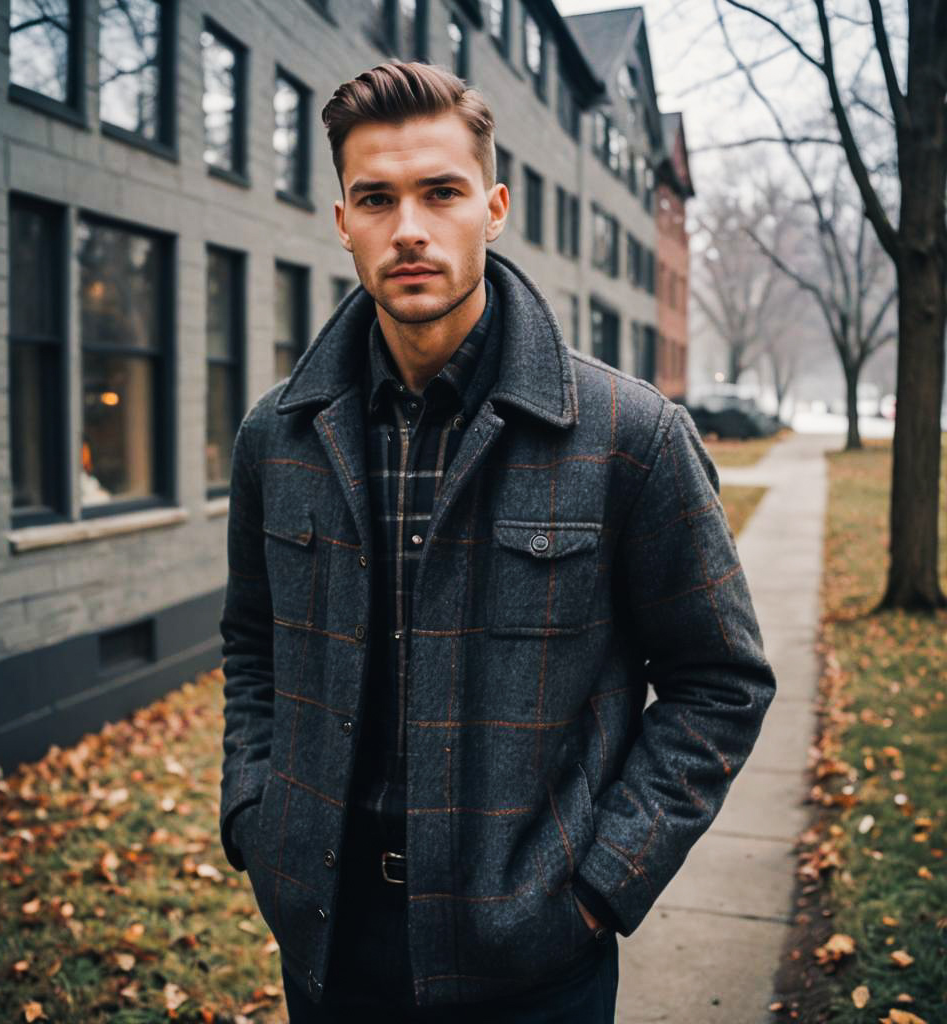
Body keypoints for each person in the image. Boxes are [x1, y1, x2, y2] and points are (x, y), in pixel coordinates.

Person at [218, 61, 777, 1023]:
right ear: (341, 220)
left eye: (441, 192)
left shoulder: (628, 437)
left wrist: (602, 883)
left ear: (495, 205)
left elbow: (720, 683)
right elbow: (252, 644)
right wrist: (255, 815)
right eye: (376, 198)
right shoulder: (280, 434)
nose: (409, 229)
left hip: (532, 959)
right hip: (325, 936)